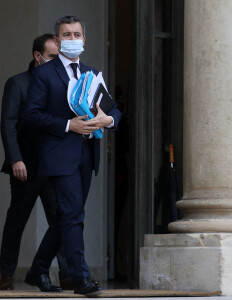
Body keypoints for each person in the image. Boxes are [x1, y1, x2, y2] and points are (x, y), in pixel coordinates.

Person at [24, 16, 121, 297]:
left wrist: (107, 121)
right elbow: (31, 115)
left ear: (85, 39)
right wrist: (69, 125)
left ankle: (37, 269)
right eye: (66, 35)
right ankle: (81, 278)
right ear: (56, 40)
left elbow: (114, 112)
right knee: (73, 215)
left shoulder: (93, 74)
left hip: (86, 155)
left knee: (67, 216)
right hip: (58, 156)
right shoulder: (44, 74)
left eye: (77, 34)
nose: (72, 39)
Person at [0, 34, 69, 291]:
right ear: (37, 56)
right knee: (16, 221)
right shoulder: (17, 84)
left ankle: (68, 274)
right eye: (52, 57)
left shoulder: (62, 84)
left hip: (54, 167)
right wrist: (15, 158)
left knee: (61, 221)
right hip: (25, 167)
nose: (57, 62)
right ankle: (5, 274)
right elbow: (7, 124)